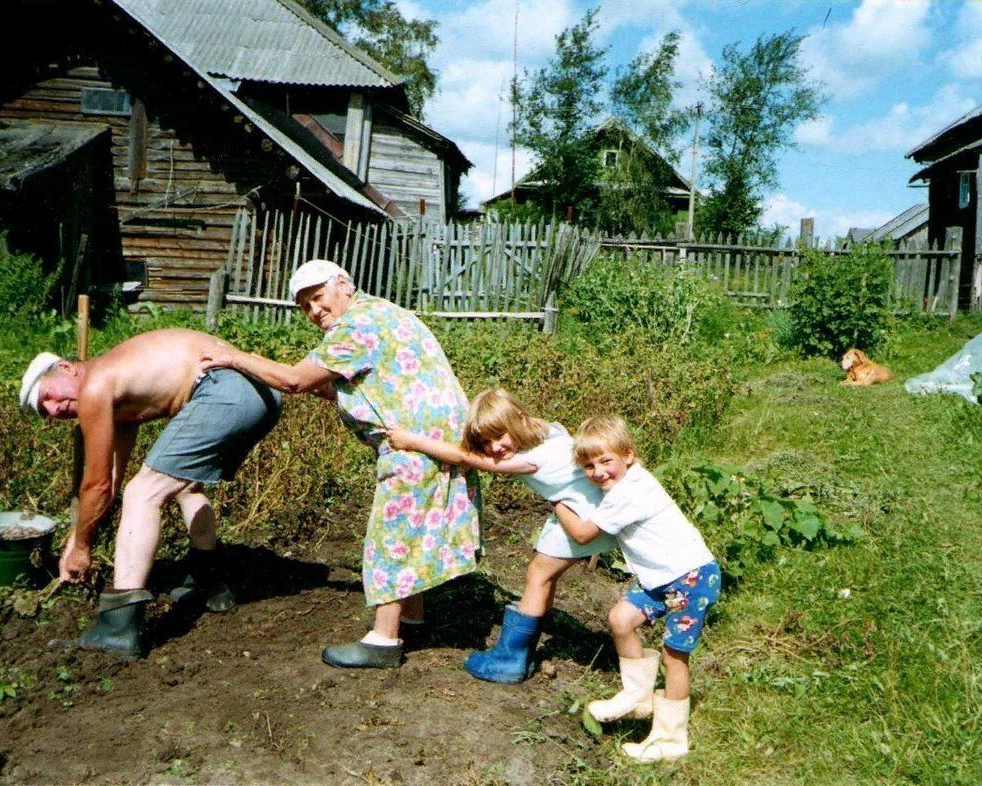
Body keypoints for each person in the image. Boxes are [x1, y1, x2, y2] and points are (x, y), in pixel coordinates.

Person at [199, 259, 480, 669]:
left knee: (390, 534)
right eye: (305, 307)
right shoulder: (382, 313)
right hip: (438, 438)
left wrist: (234, 357)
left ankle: (384, 641)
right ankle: (412, 619)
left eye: (317, 298)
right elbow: (348, 389)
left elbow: (295, 381)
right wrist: (291, 378)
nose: (315, 311)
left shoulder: (356, 325)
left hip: (412, 445)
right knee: (411, 532)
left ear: (344, 285)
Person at [19, 329, 282, 658]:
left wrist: (82, 549)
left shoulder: (95, 384)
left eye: (48, 396)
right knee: (185, 484)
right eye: (46, 412)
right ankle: (213, 582)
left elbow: (96, 484)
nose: (54, 410)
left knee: (143, 493)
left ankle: (118, 627)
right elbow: (109, 480)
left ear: (68, 368)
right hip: (261, 394)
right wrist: (77, 536)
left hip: (225, 389)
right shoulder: (118, 395)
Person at [386, 388, 616, 683]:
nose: (494, 447)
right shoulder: (548, 431)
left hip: (583, 515)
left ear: (518, 418)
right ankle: (523, 649)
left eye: (499, 436)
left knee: (538, 574)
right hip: (587, 507)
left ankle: (511, 659)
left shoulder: (532, 458)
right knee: (544, 575)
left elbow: (463, 458)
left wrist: (413, 440)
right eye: (485, 441)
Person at [554, 415, 719, 763]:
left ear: (628, 455)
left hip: (689, 577)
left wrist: (555, 500)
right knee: (621, 619)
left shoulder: (629, 493)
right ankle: (638, 697)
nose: (598, 472)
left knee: (675, 656)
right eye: (588, 466)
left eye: (605, 461)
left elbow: (583, 533)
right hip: (662, 580)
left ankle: (670, 740)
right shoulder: (627, 484)